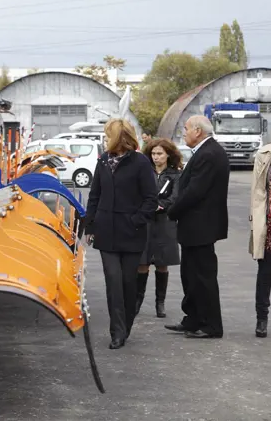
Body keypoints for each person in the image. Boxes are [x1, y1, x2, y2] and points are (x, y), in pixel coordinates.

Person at [84, 118, 158, 350]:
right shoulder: (103, 161)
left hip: (132, 233)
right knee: (113, 282)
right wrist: (90, 225)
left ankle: (126, 324)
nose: (105, 139)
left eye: (108, 135)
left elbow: (150, 199)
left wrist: (136, 220)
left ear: (119, 137)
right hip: (107, 232)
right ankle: (117, 331)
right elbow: (95, 194)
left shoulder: (140, 163)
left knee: (128, 283)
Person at [166, 115, 229, 339]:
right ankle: (192, 319)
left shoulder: (209, 154)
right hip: (195, 227)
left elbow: (195, 191)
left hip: (202, 226)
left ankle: (211, 325)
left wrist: (172, 211)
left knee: (203, 277)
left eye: (186, 129)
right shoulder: (206, 151)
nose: (183, 132)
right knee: (190, 275)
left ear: (198, 131)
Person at [136, 138, 183, 318]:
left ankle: (160, 302)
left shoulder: (175, 174)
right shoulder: (144, 172)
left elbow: (176, 196)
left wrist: (162, 205)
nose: (156, 157)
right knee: (143, 262)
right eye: (153, 154)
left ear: (168, 155)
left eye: (159, 154)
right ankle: (138, 299)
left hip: (165, 221)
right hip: (146, 221)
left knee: (162, 263)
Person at [249, 115, 271, 338]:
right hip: (270, 219)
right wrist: (255, 217)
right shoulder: (265, 154)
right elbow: (257, 190)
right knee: (265, 272)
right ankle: (261, 318)